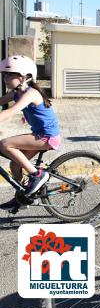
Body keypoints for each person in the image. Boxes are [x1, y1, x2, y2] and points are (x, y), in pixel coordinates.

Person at [0, 55, 61, 210]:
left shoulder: (30, 93)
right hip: (39, 136)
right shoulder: (16, 92)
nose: (5, 78)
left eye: (10, 74)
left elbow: (10, 112)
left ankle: (37, 175)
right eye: (4, 75)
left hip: (47, 137)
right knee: (15, 165)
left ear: (24, 77)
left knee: (5, 144)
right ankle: (24, 197)